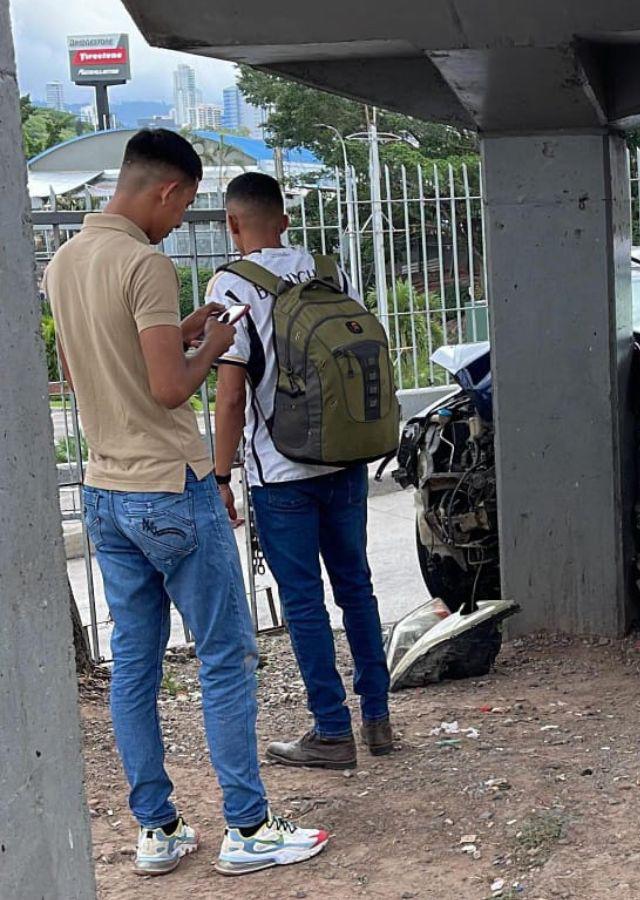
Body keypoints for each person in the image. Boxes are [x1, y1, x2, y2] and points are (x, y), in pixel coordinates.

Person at [45, 130, 328, 878]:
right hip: (170, 485)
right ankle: (247, 827)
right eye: (183, 207)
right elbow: (171, 388)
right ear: (167, 190)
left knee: (135, 665)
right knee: (227, 657)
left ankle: (158, 830)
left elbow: (87, 370)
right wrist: (212, 341)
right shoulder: (145, 263)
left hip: (105, 488)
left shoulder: (65, 262)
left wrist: (183, 332)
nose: (179, 222)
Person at [210, 172, 393, 771]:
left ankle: (332, 733)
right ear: (284, 221)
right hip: (343, 458)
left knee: (305, 602)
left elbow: (232, 396)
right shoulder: (325, 272)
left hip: (281, 472)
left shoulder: (232, 282)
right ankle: (378, 717)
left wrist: (220, 474)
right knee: (356, 586)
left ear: (233, 224)